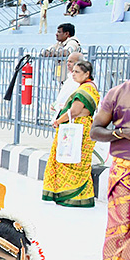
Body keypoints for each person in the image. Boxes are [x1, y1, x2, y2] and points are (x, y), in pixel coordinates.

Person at [90, 43, 130, 260]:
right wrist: (120, 134)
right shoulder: (118, 92)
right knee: (120, 227)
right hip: (124, 169)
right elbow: (96, 130)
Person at [43, 60, 100, 208]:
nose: (73, 74)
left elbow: (74, 111)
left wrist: (58, 121)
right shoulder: (90, 87)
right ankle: (81, 196)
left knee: (69, 160)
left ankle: (69, 196)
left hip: (77, 129)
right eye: (72, 71)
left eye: (77, 72)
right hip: (84, 128)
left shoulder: (84, 90)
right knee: (79, 162)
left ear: (87, 73)